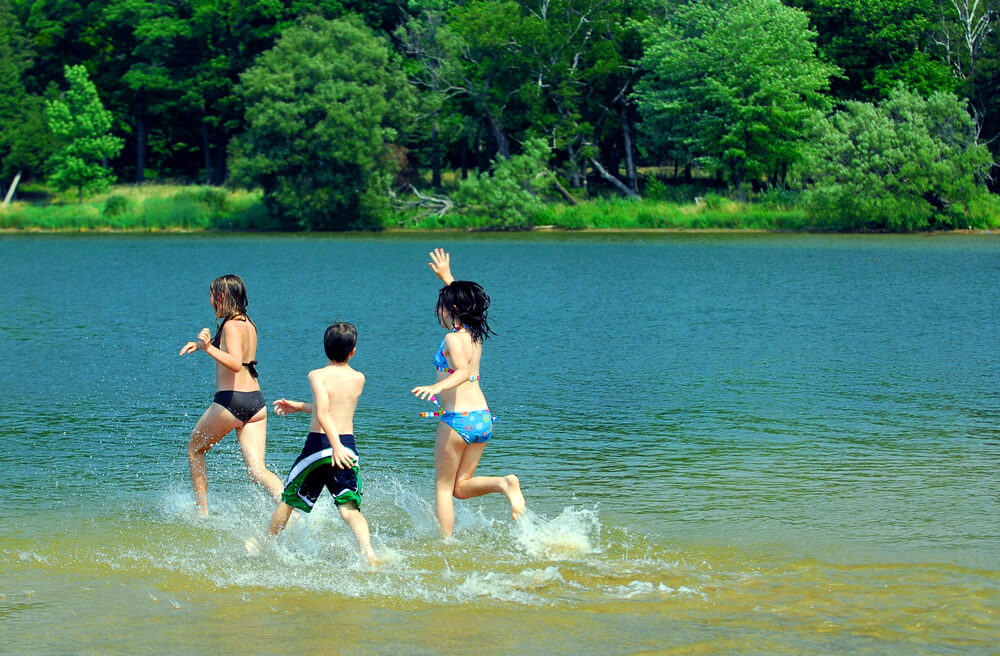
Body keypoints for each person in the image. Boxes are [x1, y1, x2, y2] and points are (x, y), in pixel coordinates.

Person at [411, 248, 526, 537]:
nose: (437, 310)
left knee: (443, 488)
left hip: (457, 420)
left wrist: (436, 387)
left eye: (441, 305)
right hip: (482, 418)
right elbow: (465, 305)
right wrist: (447, 278)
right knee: (461, 487)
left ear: (452, 310)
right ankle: (504, 483)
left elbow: (461, 372)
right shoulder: (474, 333)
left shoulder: (451, 337)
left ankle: (446, 544)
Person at [265, 322, 377, 566]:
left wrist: (333, 445)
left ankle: (266, 544)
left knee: (288, 500)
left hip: (321, 444)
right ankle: (368, 551)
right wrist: (301, 406)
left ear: (325, 349)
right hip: (347, 445)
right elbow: (332, 408)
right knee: (349, 509)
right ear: (353, 351)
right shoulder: (359, 378)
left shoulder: (317, 375)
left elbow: (325, 413)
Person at [179, 274, 283, 514]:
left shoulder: (230, 325)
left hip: (231, 402)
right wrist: (207, 344)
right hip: (256, 404)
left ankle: (202, 514)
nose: (210, 301)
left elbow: (235, 363)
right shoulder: (247, 323)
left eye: (211, 295)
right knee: (258, 471)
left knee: (195, 449)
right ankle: (288, 507)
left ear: (222, 297)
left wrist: (206, 348)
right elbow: (237, 350)